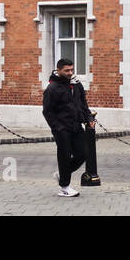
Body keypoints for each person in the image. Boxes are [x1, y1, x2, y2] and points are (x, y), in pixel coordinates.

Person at [42, 58, 94, 197]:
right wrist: (57, 127)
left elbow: (83, 103)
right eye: (67, 70)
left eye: (72, 69)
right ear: (58, 70)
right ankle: (65, 187)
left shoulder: (76, 84)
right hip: (62, 128)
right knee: (64, 156)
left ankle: (62, 174)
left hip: (76, 125)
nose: (70, 72)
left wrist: (89, 118)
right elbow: (47, 111)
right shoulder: (52, 88)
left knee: (83, 154)